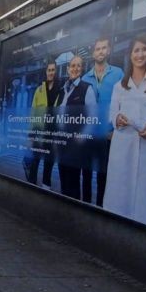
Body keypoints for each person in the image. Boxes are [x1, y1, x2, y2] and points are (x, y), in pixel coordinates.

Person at [103, 34, 146, 227]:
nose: (140, 54)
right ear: (130, 54)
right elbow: (112, 114)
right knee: (119, 196)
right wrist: (118, 119)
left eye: (144, 49)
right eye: (136, 50)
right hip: (122, 146)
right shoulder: (120, 86)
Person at [81, 37, 124, 206]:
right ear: (93, 53)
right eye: (97, 49)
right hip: (89, 134)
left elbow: (123, 102)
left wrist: (114, 129)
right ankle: (85, 204)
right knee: (86, 173)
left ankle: (101, 206)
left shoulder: (119, 74)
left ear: (109, 50)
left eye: (103, 48)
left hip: (108, 134)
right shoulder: (85, 78)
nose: (100, 51)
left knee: (103, 174)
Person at [55, 55, 96, 200]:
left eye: (78, 66)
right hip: (62, 142)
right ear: (67, 69)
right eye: (72, 66)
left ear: (82, 69)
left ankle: (73, 214)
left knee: (73, 181)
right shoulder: (63, 90)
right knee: (63, 178)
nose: (75, 69)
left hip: (77, 145)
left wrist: (82, 138)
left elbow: (92, 118)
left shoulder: (86, 89)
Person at [23, 59, 62, 187]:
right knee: (35, 160)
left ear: (56, 71)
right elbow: (33, 113)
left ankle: (46, 186)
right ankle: (32, 183)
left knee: (49, 162)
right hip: (39, 132)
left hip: (52, 133)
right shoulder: (39, 90)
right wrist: (30, 134)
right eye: (49, 70)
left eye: (53, 70)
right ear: (46, 72)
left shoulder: (61, 90)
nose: (51, 72)